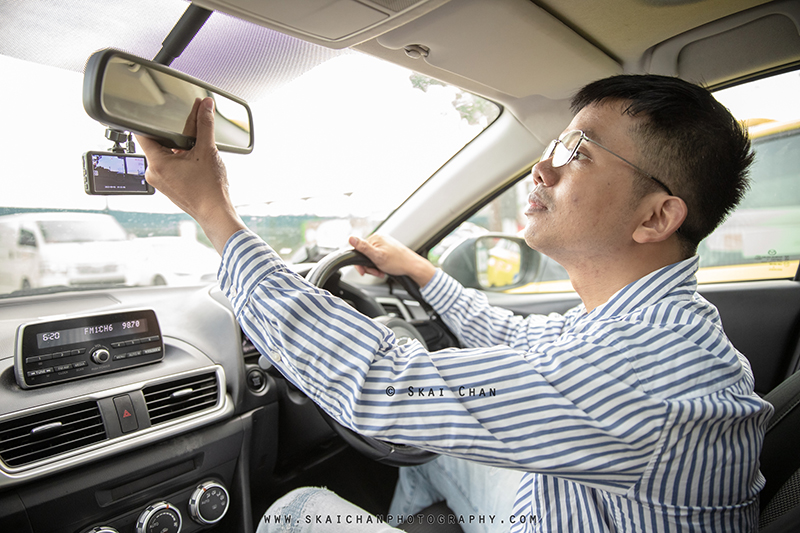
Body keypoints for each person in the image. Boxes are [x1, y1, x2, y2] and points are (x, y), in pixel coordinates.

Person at [138, 74, 773, 532]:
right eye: (555, 148)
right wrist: (422, 272)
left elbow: (385, 385)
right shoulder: (650, 326)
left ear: (656, 217)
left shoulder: (640, 372)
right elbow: (524, 344)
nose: (542, 170)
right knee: (443, 446)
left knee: (296, 513)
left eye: (578, 153)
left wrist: (214, 215)